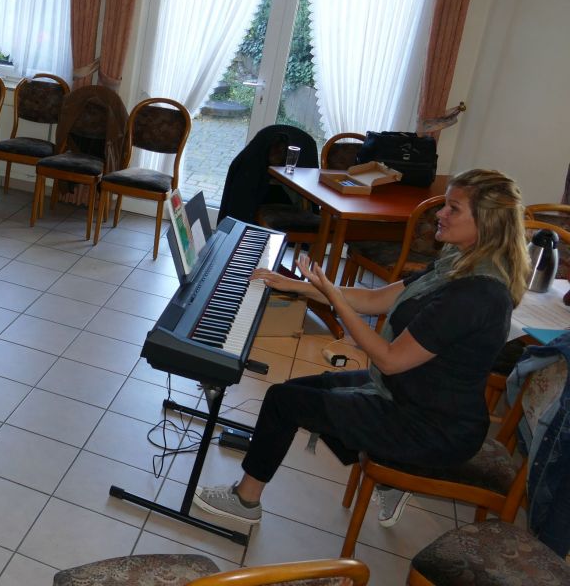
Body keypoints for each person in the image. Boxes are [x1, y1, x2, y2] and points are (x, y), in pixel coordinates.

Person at [193, 169, 529, 530]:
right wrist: (297, 286)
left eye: (453, 208)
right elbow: (374, 299)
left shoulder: (475, 295)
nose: (440, 214)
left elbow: (389, 359)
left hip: (432, 428)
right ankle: (389, 481)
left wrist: (335, 298)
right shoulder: (457, 264)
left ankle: (245, 500)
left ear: (487, 222)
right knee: (294, 391)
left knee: (284, 402)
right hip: (407, 394)